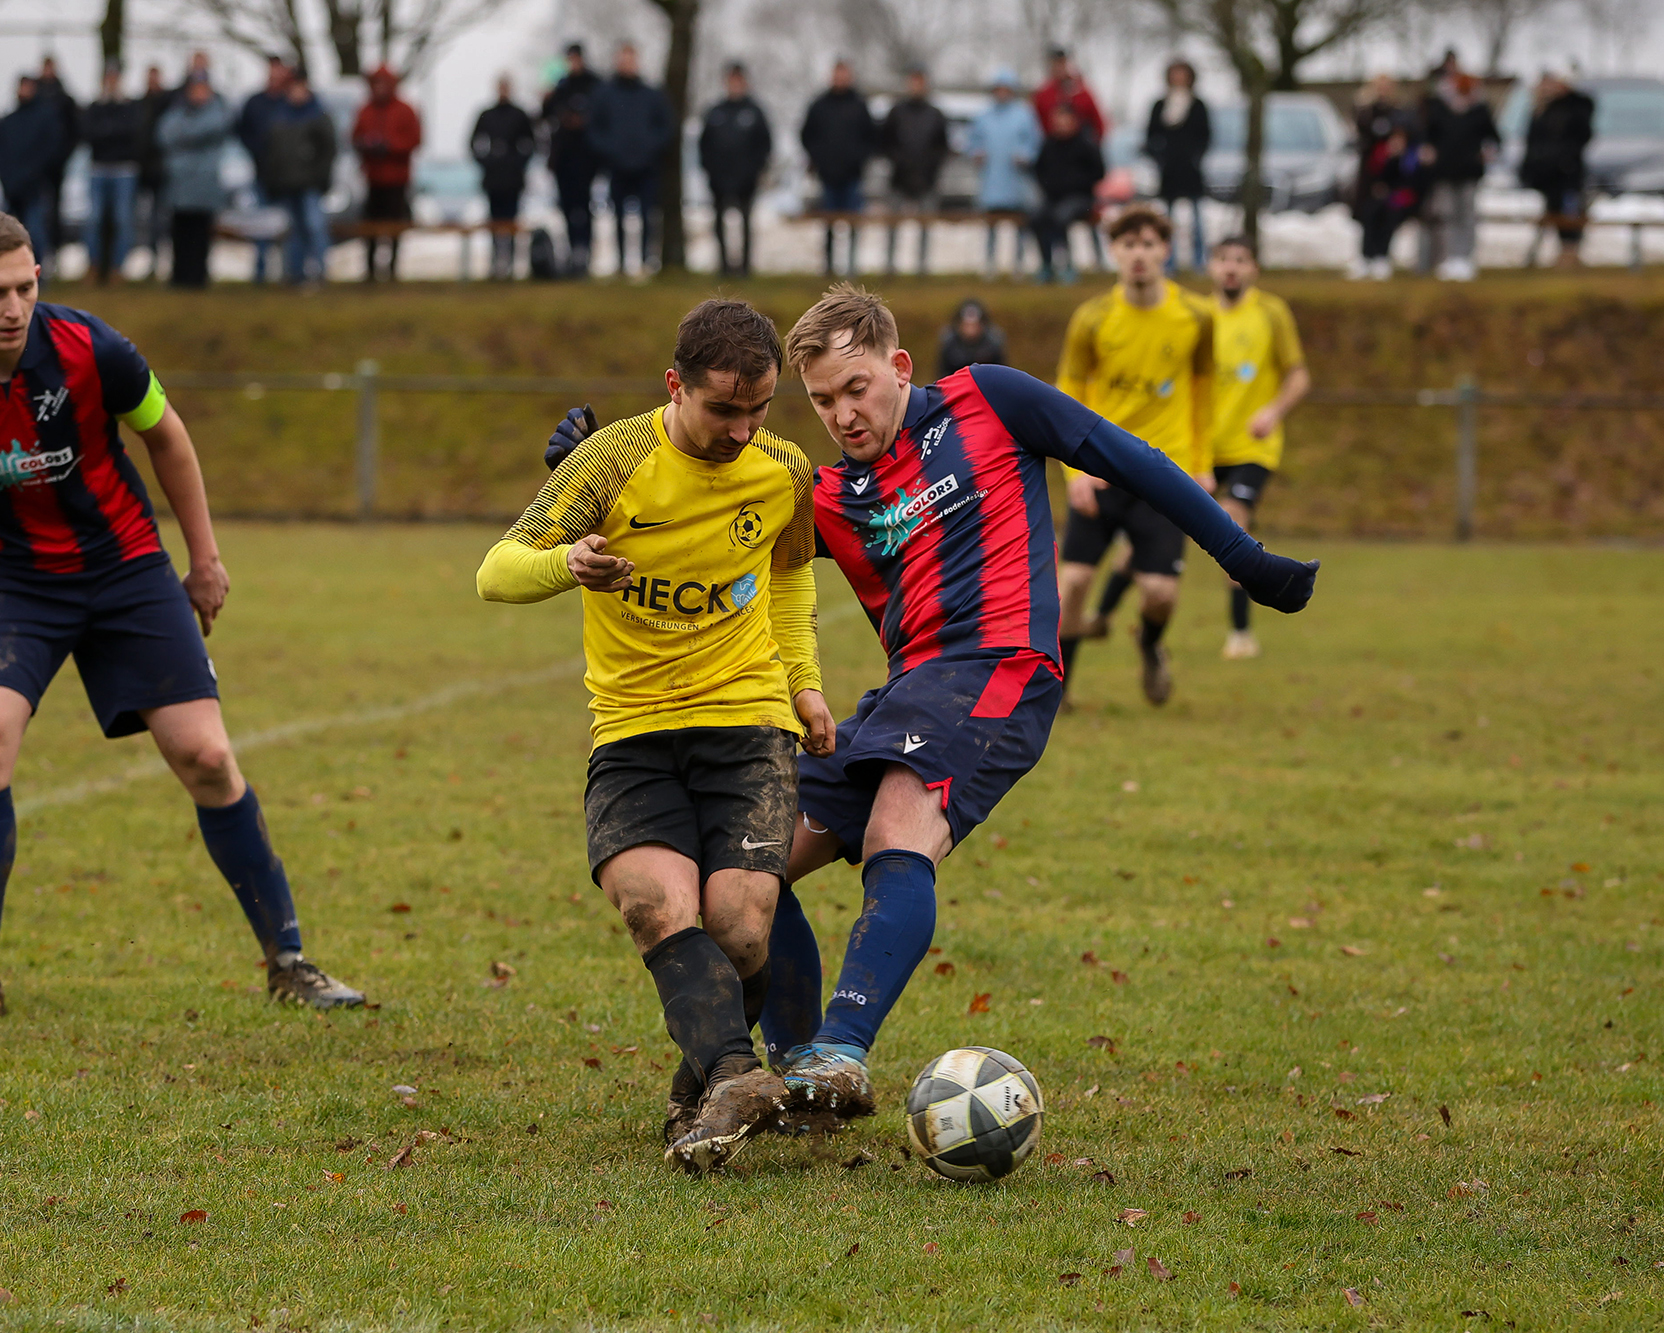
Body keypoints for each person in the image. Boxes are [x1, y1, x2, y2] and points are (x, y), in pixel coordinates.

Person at [542, 287, 1316, 1116]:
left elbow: (1132, 459)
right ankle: (798, 1069)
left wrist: (1244, 558)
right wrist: (595, 476)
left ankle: (842, 1050)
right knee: (759, 864)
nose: (843, 414)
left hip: (1002, 664)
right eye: (823, 400)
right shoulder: (824, 495)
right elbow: (700, 525)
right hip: (906, 689)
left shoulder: (991, 399)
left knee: (897, 827)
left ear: (901, 366)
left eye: (857, 388)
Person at [0, 208, 365, 1019]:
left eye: (24, 287)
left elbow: (169, 437)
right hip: (9, 580)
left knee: (207, 755)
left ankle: (290, 960)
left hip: (125, 569)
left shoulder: (94, 347)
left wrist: (204, 557)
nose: (13, 308)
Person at [480, 299, 834, 1172]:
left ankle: (711, 1083)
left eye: (759, 409)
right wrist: (569, 563)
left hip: (747, 720)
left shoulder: (784, 469)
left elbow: (789, 580)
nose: (743, 430)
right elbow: (496, 571)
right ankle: (736, 1076)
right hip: (634, 728)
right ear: (675, 385)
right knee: (653, 906)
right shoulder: (611, 458)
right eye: (724, 409)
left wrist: (805, 684)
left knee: (741, 929)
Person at [1054, 206, 1213, 705]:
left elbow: (1204, 393)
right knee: (1072, 584)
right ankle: (1056, 692)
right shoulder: (1092, 318)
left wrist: (1202, 465)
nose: (1138, 254)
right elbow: (1067, 393)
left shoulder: (1197, 316)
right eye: (1128, 245)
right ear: (1114, 252)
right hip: (1101, 467)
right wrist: (1073, 471)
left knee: (1160, 594)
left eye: (1148, 244)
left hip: (1165, 472)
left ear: (1165, 250)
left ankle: (1149, 642)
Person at [1204, 236, 1310, 659]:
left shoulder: (1271, 312)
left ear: (1254, 269)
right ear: (1211, 267)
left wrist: (1273, 411)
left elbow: (1298, 376)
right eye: (1223, 259)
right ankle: (1105, 614)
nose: (1231, 267)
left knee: (1234, 523)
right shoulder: (1196, 316)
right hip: (1202, 449)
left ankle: (1240, 633)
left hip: (1252, 447)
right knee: (1159, 527)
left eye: (1240, 260)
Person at [587, 44, 673, 277]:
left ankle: (646, 261)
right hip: (616, 165)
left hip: (646, 166)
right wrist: (610, 150)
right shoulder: (604, 94)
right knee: (618, 216)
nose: (627, 64)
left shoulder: (651, 94)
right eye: (623, 60)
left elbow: (665, 128)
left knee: (647, 215)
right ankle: (621, 263)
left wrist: (650, 148)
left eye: (631, 60)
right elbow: (594, 129)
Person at [1418, 72, 1499, 281]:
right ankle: (1449, 258)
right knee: (1447, 216)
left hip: (1469, 172)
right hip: (1445, 173)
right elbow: (1428, 136)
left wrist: (1488, 151)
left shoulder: (1479, 111)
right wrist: (1428, 150)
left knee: (1467, 216)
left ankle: (1464, 258)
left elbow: (1494, 138)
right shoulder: (1439, 110)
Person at [155, 72, 232, 288]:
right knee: (180, 232)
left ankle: (198, 277)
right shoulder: (177, 111)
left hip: (204, 183)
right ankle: (179, 276)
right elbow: (163, 135)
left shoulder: (217, 112)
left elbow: (212, 126)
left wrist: (184, 136)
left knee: (201, 232)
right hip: (180, 183)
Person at [800, 60, 874, 277]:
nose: (840, 78)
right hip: (827, 176)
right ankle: (828, 266)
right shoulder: (819, 105)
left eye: (844, 74)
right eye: (837, 74)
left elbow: (870, 138)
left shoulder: (859, 105)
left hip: (852, 176)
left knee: (853, 221)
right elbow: (807, 135)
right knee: (828, 223)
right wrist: (819, 158)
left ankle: (851, 267)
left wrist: (858, 159)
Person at [261, 70, 336, 285]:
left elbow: (328, 150)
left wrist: (321, 178)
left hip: (310, 183)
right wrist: (273, 179)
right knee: (292, 231)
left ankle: (319, 272)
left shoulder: (318, 114)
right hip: (287, 183)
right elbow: (272, 151)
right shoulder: (280, 116)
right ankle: (295, 273)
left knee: (314, 226)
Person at [698, 64, 772, 277]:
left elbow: (764, 145)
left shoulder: (755, 112)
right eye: (731, 80)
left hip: (746, 180)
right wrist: (710, 169)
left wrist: (755, 170)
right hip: (719, 179)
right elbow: (704, 145)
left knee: (746, 222)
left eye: (738, 80)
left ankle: (745, 267)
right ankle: (723, 266)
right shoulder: (715, 112)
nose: (735, 85)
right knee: (719, 222)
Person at [965, 67, 1040, 276]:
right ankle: (990, 263)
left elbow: (1035, 143)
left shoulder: (1024, 115)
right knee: (991, 224)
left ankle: (1019, 264)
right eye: (998, 89)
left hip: (1016, 182)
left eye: (1006, 89)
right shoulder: (983, 116)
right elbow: (971, 142)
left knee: (1020, 225)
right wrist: (976, 154)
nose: (1002, 93)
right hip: (991, 181)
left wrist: (1025, 155)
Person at [879, 66, 951, 276]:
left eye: (920, 82)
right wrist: (900, 161)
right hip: (899, 178)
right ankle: (890, 266)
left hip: (927, 179)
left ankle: (922, 267)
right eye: (913, 81)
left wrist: (929, 165)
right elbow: (885, 143)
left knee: (925, 225)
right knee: (893, 224)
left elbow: (943, 147)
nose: (916, 86)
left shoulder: (935, 114)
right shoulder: (896, 112)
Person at [351, 66, 422, 281]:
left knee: (395, 226)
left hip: (397, 179)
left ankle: (392, 269)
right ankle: (370, 270)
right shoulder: (365, 109)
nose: (380, 88)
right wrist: (366, 145)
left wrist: (390, 146)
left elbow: (415, 140)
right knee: (370, 226)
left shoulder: (405, 110)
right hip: (372, 178)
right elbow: (354, 136)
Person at [81, 63, 146, 284]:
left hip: (124, 169)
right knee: (93, 219)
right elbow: (88, 133)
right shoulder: (95, 107)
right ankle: (94, 266)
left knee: (123, 219)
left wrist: (106, 131)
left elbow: (132, 133)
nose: (111, 82)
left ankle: (118, 268)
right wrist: (112, 131)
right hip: (98, 168)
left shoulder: (130, 107)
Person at [1521, 71, 1594, 270]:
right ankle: (1558, 255)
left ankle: (1570, 255)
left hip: (1568, 173)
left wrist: (1568, 93)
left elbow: (1583, 130)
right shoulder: (1541, 110)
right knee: (1552, 214)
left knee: (1570, 214)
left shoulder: (1574, 107)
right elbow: (1532, 144)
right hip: (1546, 175)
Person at [541, 44, 601, 275]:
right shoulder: (561, 86)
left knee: (584, 205)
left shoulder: (594, 84)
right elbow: (546, 117)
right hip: (563, 158)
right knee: (566, 206)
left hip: (586, 157)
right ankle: (572, 249)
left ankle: (584, 250)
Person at [1143, 59, 1209, 272]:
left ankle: (1199, 261)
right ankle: (1169, 261)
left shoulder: (1198, 105)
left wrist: (1195, 158)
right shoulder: (1160, 106)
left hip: (1191, 169)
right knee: (1167, 220)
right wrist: (1160, 158)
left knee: (1197, 218)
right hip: (1169, 170)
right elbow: (1151, 136)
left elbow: (1205, 136)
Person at [470, 75, 536, 279]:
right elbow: (473, 143)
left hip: (513, 178)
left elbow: (531, 143)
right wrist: (487, 161)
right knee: (494, 221)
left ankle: (511, 263)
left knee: (512, 221)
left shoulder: (519, 115)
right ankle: (495, 261)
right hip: (493, 178)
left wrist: (517, 162)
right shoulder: (487, 114)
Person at [0, 76, 63, 261]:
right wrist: (6, 178)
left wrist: (32, 175)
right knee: (8, 235)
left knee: (36, 232)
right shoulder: (9, 120)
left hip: (35, 187)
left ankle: (38, 270)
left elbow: (50, 151)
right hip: (11, 188)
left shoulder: (45, 117)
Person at [1030, 103, 1102, 283]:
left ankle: (1067, 266)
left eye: (1064, 121)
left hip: (1081, 198)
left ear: (1074, 121)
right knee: (1036, 218)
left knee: (1061, 217)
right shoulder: (1049, 144)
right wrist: (1048, 186)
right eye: (1057, 121)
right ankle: (1046, 265)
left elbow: (1099, 172)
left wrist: (1076, 184)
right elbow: (1038, 170)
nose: (1060, 125)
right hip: (1053, 198)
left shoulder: (1085, 143)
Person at [237, 56, 291, 284]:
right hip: (261, 173)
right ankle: (260, 273)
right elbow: (242, 130)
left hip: (288, 176)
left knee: (286, 226)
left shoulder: (291, 101)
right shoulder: (255, 102)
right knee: (260, 225)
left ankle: (288, 272)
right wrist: (258, 151)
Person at [1357, 123, 1424, 280]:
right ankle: (1366, 256)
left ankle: (1382, 257)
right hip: (1382, 198)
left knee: (1390, 217)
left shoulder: (1411, 157)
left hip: (1402, 200)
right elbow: (1374, 176)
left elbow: (1412, 182)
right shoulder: (1382, 154)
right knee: (1370, 213)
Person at [35, 56, 80, 251]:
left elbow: (74, 131)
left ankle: (54, 247)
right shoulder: (35, 97)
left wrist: (63, 155)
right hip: (35, 165)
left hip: (56, 164)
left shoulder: (64, 98)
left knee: (55, 207)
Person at [137, 65, 174, 262]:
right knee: (144, 217)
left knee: (160, 217)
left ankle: (158, 256)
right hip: (142, 168)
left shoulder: (167, 103)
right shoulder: (139, 104)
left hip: (161, 169)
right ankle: (150, 256)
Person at [1032, 46, 1104, 142]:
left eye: (1062, 63)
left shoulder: (1082, 92)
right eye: (1056, 64)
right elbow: (1035, 125)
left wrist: (1094, 144)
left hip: (1080, 146)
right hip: (1053, 146)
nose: (1060, 68)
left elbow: (1098, 123)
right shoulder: (1043, 94)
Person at [935, 297, 1006, 378]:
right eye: (967, 325)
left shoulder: (993, 342)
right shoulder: (949, 342)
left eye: (974, 325)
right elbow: (942, 372)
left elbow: (1001, 372)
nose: (970, 330)